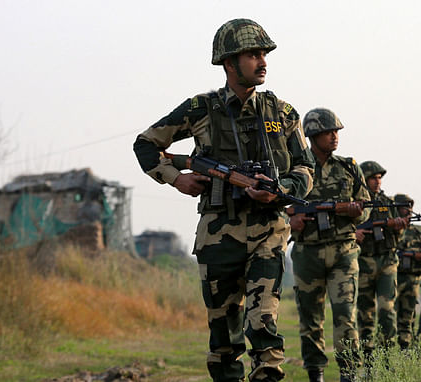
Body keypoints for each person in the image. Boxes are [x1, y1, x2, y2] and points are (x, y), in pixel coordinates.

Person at [132, 19, 314, 382]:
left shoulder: (283, 113)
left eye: (264, 54)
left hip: (268, 232)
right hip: (218, 236)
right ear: (229, 63)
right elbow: (146, 144)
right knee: (224, 339)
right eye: (252, 54)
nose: (262, 61)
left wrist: (282, 187)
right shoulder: (201, 108)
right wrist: (177, 179)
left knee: (263, 324)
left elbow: (307, 169)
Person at [287, 108, 370, 382]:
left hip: (344, 252)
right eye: (328, 132)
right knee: (310, 318)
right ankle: (315, 373)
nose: (335, 137)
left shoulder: (348, 167)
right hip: (307, 252)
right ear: (312, 134)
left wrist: (355, 211)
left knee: (346, 315)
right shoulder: (294, 166)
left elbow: (366, 206)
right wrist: (291, 219)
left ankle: (348, 373)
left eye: (336, 132)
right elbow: (274, 202)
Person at [354, 161, 405, 357]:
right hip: (364, 261)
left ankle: (386, 357)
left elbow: (397, 234)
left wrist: (397, 226)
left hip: (387, 261)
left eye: (379, 178)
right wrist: (356, 232)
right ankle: (367, 358)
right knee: (365, 313)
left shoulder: (387, 203)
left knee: (386, 309)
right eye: (373, 178)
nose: (377, 182)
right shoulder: (356, 201)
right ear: (364, 180)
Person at [392, 194, 421, 350]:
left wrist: (415, 254)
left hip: (413, 279)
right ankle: (387, 350)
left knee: (408, 316)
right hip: (394, 277)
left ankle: (405, 347)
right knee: (389, 315)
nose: (408, 210)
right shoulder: (391, 228)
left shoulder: (418, 230)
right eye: (404, 207)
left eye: (410, 207)